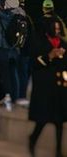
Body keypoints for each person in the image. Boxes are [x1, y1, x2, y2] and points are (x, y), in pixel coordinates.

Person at [27, 17, 66, 157]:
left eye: (58, 28)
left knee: (59, 120)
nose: (57, 31)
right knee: (42, 119)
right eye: (55, 28)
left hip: (59, 87)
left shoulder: (62, 43)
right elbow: (34, 63)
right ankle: (33, 139)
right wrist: (49, 56)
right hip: (44, 87)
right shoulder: (39, 42)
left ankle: (58, 150)